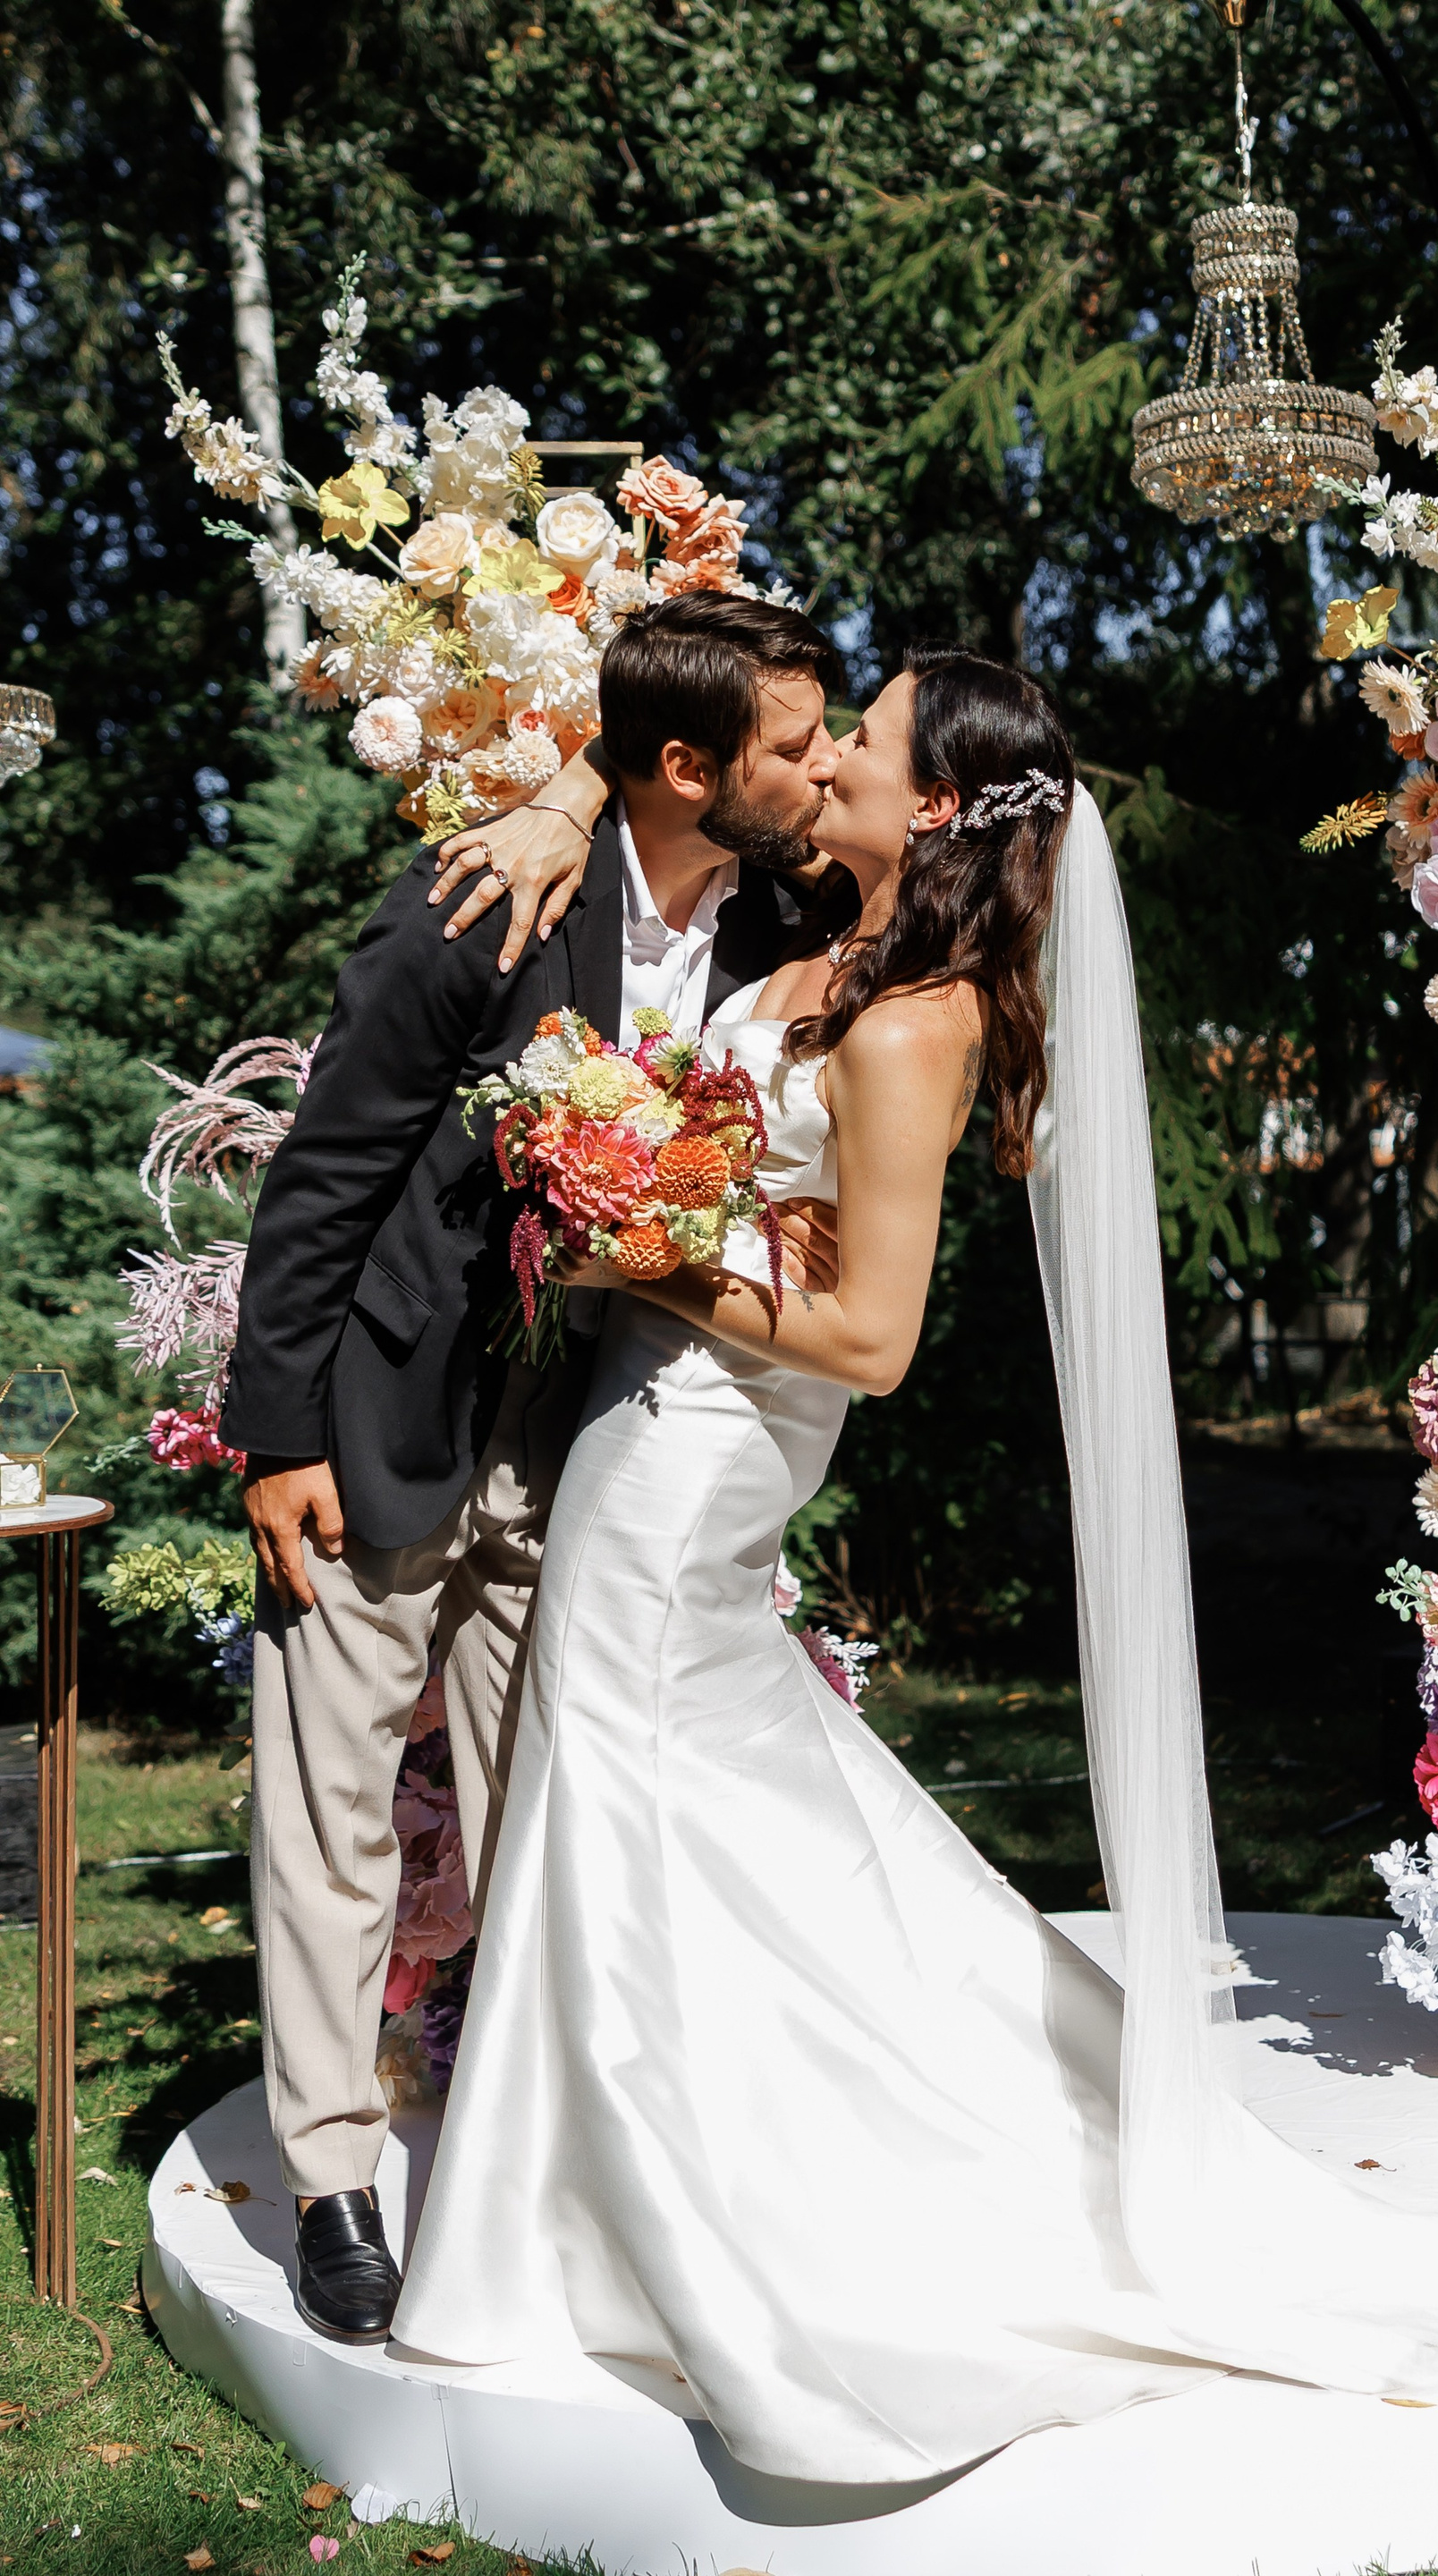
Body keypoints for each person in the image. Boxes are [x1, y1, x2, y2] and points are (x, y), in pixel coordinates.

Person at [393, 640, 1438, 2570]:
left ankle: (649, 2211)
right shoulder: (815, 954)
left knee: (645, 1776)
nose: (824, 755)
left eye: (860, 737)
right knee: (669, 1805)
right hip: (647, 1429)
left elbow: (870, 1335)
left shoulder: (917, 1021)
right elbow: (663, 816)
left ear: (932, 802)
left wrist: (635, 1256)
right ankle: (610, 2182)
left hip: (702, 1455)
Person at [221, 591, 842, 2349]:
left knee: (544, 1815)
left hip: (591, 1442)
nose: (819, 770)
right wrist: (278, 1436)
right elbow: (326, 1173)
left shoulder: (788, 916)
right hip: (382, 1411)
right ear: (686, 766)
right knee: (333, 1810)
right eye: (795, 744)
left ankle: (527, 2157)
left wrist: (578, 781)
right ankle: (332, 2179)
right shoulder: (483, 904)